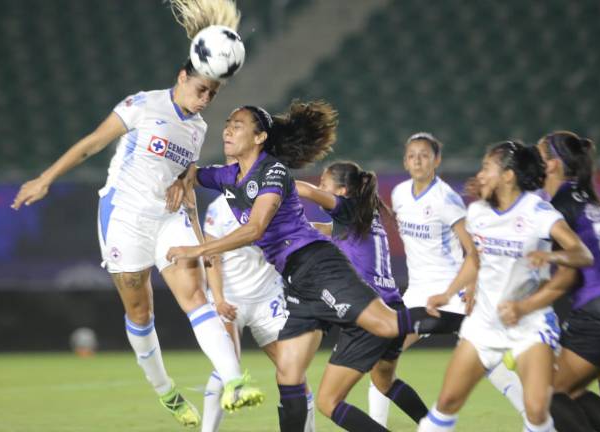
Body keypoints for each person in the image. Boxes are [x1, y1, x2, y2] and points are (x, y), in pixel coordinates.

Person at [10, 1, 264, 427]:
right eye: (201, 89)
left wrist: (197, 229)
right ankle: (165, 390)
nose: (205, 100)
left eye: (213, 94)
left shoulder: (198, 129)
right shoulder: (143, 105)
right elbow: (92, 143)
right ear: (182, 76)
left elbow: (183, 182)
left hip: (168, 219)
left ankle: (236, 380)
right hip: (124, 218)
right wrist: (45, 178)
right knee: (140, 313)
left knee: (195, 296)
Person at [166, 101, 444, 432]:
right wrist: (182, 178)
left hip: (317, 267)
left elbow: (256, 228)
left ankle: (469, 324)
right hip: (298, 282)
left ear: (259, 137)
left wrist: (196, 249)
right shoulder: (231, 176)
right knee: (292, 377)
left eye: (237, 125)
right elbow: (193, 173)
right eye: (227, 123)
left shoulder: (274, 172)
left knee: (383, 330)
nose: (227, 129)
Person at [418, 141, 593, 432]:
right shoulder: (478, 212)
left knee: (536, 411)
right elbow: (475, 260)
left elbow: (582, 254)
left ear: (508, 175)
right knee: (447, 401)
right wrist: (448, 293)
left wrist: (551, 256)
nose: (480, 174)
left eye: (487, 167)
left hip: (529, 324)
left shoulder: (538, 212)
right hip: (485, 323)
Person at [368, 133, 526, 426]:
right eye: (412, 155)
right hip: (416, 293)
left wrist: (471, 286)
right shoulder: (400, 194)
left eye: (424, 155)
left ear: (436, 160)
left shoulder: (446, 199)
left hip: (451, 292)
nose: (417, 161)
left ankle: (535, 417)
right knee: (380, 359)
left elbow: (473, 249)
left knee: (487, 359)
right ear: (405, 161)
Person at [500, 131, 600, 432]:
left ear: (553, 164)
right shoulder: (584, 198)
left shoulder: (558, 206)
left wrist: (524, 306)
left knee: (545, 393)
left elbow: (568, 275)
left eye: (540, 157)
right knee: (573, 390)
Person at [294, 161, 430, 427]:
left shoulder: (346, 208)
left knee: (328, 402)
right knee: (384, 381)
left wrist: (273, 182)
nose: (320, 187)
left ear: (342, 191)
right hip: (393, 309)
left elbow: (308, 191)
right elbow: (321, 229)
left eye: (325, 183)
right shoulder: (362, 214)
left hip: (371, 314)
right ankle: (436, 426)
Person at [199, 173, 315, 432]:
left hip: (268, 299)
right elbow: (211, 256)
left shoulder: (277, 203)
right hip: (229, 297)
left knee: (293, 371)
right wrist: (218, 298)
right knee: (228, 365)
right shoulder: (219, 207)